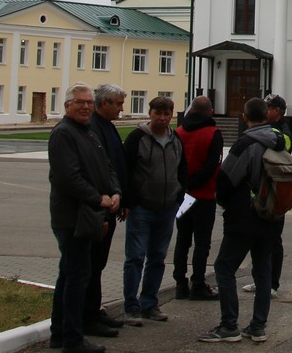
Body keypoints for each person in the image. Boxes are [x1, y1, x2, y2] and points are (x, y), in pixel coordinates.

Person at [200, 97, 283, 343]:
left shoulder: (245, 143)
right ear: (267, 115)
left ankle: (229, 326)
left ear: (245, 117)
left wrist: (223, 201)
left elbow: (226, 180)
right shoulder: (279, 141)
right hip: (271, 215)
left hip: (244, 216)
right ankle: (258, 326)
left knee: (224, 267)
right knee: (263, 271)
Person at [48, 83, 120, 353]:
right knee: (76, 277)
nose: (86, 106)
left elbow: (107, 166)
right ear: (67, 105)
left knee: (70, 275)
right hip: (72, 217)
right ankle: (72, 340)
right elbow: (69, 177)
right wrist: (97, 198)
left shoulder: (89, 132)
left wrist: (115, 192)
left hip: (89, 214)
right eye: (80, 102)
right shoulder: (63, 134)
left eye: (89, 102)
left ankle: (61, 335)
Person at [122, 96, 187, 324]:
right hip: (142, 208)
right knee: (135, 258)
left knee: (157, 258)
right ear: (150, 113)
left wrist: (178, 196)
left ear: (171, 115)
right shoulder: (137, 138)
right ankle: (130, 306)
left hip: (167, 208)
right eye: (157, 113)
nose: (161, 118)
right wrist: (130, 202)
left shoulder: (175, 138)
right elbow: (125, 171)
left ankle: (150, 303)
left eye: (166, 114)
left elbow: (182, 170)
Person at [82, 84, 128, 339]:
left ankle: (94, 309)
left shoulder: (108, 127)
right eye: (119, 104)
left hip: (111, 203)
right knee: (89, 263)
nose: (122, 109)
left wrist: (123, 198)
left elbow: (116, 165)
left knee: (98, 263)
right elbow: (97, 168)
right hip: (96, 208)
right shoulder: (92, 130)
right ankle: (86, 315)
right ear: (105, 103)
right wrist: (106, 198)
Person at [174, 96, 223, 301]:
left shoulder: (178, 132)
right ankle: (198, 283)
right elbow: (213, 165)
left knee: (182, 239)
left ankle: (179, 284)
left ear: (191, 110)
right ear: (210, 112)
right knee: (202, 242)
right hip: (204, 195)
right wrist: (196, 182)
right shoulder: (213, 133)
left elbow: (174, 162)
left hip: (182, 196)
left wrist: (184, 184)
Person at [243, 94, 292, 297]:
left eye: (268, 107)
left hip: (274, 193)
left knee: (273, 241)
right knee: (259, 240)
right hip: (261, 193)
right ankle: (260, 279)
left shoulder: (281, 133)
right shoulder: (268, 129)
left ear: (277, 111)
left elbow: (279, 151)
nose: (265, 110)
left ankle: (271, 283)